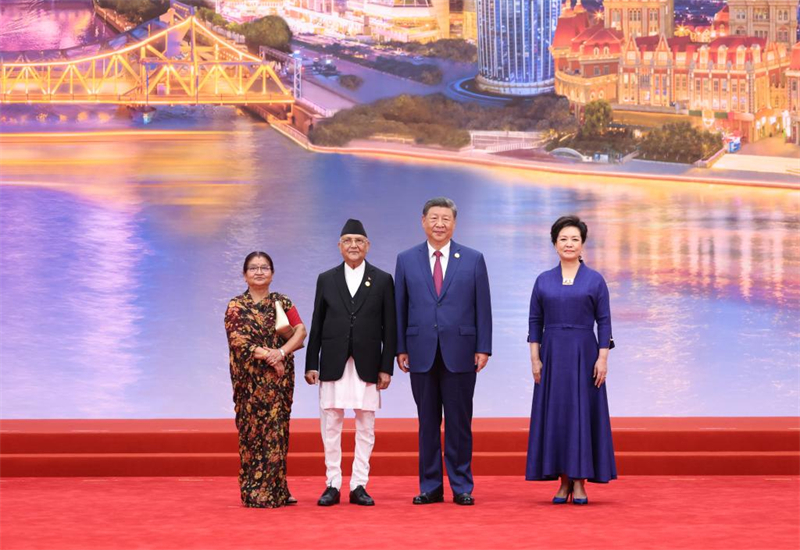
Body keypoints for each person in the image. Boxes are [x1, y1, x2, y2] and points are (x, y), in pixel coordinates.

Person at [394, 197, 492, 506]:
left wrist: (483, 347)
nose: (439, 224)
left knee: (459, 423)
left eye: (445, 219)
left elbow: (483, 306)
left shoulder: (473, 259)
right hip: (420, 350)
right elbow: (400, 307)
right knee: (427, 423)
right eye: (434, 218)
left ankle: (461, 485)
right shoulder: (406, 259)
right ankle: (431, 486)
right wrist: (400, 347)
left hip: (461, 351)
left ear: (454, 223)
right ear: (423, 221)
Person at [525, 215, 617, 505]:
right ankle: (563, 481)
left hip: (585, 353)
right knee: (558, 415)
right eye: (563, 239)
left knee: (582, 415)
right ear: (555, 244)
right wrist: (535, 359)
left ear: (582, 244)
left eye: (574, 239)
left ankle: (580, 482)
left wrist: (602, 359)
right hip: (552, 355)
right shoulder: (543, 280)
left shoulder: (595, 279)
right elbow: (534, 322)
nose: (569, 244)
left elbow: (604, 322)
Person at [305, 219, 397, 507]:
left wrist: (386, 367)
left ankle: (359, 484)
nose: (353, 245)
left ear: (367, 246)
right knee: (331, 423)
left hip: (367, 363)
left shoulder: (383, 279)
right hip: (333, 361)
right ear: (339, 246)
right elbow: (317, 323)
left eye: (359, 241)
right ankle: (332, 483)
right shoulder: (326, 279)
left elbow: (390, 328)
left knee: (365, 424)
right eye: (348, 240)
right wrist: (311, 363)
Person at [224, 251, 307, 508]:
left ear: (272, 273)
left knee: (278, 432)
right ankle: (254, 490)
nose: (259, 272)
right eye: (253, 268)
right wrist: (271, 357)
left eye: (264, 267)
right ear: (244, 275)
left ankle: (278, 489)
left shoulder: (283, 301)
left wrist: (281, 353)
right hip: (250, 382)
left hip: (280, 381)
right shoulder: (236, 306)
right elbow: (239, 342)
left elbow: (301, 331)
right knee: (252, 433)